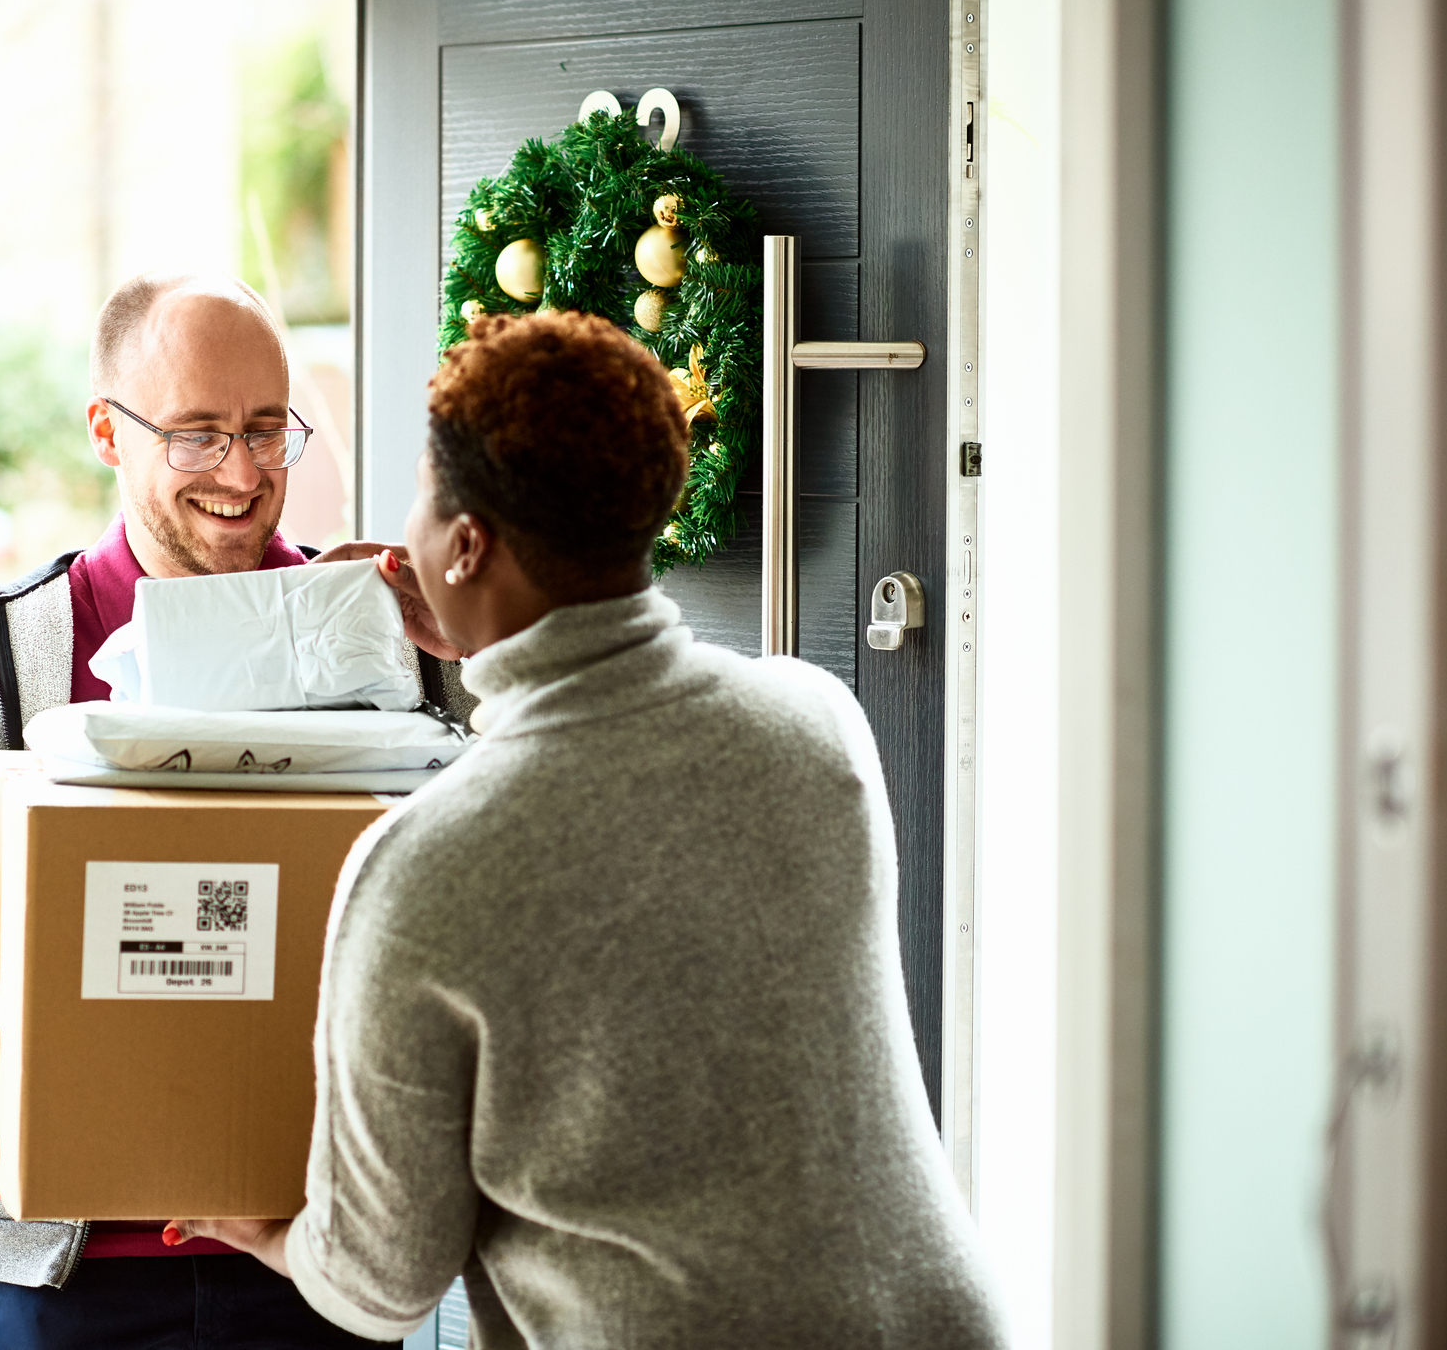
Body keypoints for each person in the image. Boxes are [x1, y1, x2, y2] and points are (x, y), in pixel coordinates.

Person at [166, 311, 1008, 1348]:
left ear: (465, 543)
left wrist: (271, 1232)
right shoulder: (812, 720)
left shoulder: (424, 866)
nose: (411, 533)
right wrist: (487, 648)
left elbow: (381, 1281)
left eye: (425, 505)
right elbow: (609, 771)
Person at [0, 273, 444, 1349]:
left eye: (266, 429)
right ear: (107, 432)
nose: (246, 473)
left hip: (320, 1253)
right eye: (199, 434)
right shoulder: (18, 647)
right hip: (73, 1278)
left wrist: (468, 646)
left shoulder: (375, 628)